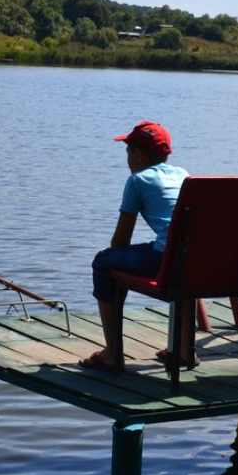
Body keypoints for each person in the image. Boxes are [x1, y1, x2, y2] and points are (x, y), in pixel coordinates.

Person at [79, 121, 189, 373]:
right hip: (194, 260)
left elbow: (120, 242)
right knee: (185, 266)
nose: (127, 158)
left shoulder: (137, 180)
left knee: (103, 262)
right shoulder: (183, 174)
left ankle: (112, 354)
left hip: (166, 260)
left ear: (138, 155)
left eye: (128, 152)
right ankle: (185, 350)